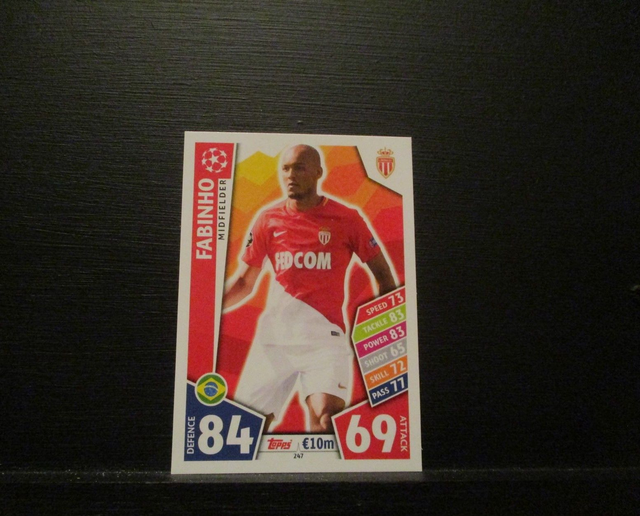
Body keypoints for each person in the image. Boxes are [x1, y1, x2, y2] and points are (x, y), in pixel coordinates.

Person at [223, 144, 396, 433]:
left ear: (318, 172)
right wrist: (208, 310)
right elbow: (244, 282)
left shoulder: (348, 218)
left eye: (299, 168)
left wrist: (385, 332)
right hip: (274, 340)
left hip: (324, 340)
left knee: (326, 419)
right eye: (285, 168)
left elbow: (384, 275)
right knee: (244, 430)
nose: (290, 175)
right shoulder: (268, 219)